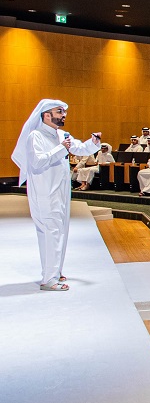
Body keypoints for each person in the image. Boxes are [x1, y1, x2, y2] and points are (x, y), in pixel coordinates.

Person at [12, 99, 102, 291]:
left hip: (61, 191)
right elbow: (37, 162)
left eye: (64, 112)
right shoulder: (35, 136)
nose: (64, 115)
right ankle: (49, 280)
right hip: (45, 192)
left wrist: (93, 143)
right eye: (59, 111)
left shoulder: (61, 134)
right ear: (46, 115)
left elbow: (79, 148)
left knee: (60, 231)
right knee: (50, 231)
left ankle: (54, 271)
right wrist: (62, 147)